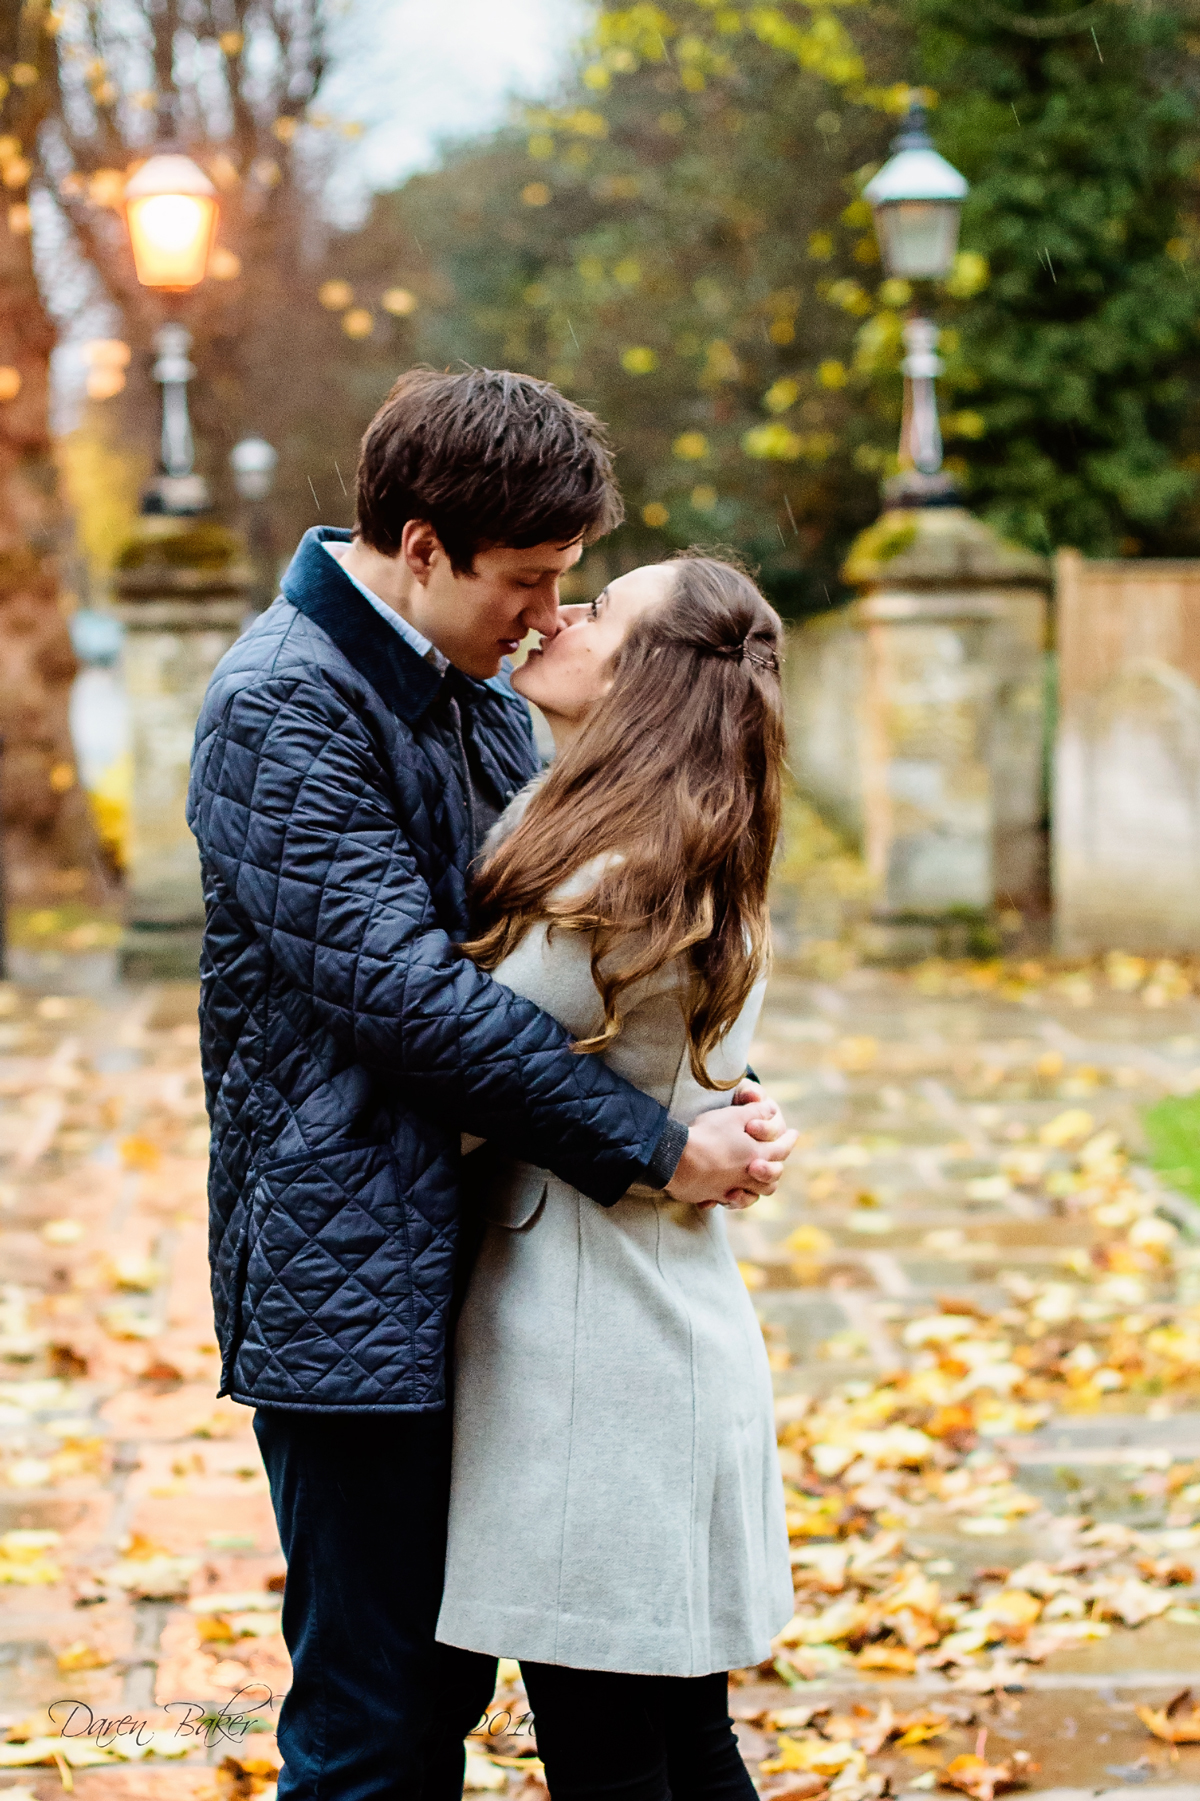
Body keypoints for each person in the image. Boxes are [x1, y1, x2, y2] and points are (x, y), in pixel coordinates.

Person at [186, 368, 798, 1801]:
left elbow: (575, 961)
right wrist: (657, 1145)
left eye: (564, 582)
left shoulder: (469, 690)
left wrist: (728, 1085)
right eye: (524, 580)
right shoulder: (283, 705)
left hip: (480, 1278)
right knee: (378, 1717)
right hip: (356, 1284)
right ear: (418, 546)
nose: (545, 613)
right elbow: (412, 1000)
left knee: (508, 1690)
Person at [437, 553, 795, 1800]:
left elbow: (467, 1076)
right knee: (679, 1743)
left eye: (599, 611)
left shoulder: (612, 872)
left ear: (646, 678)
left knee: (611, 1760)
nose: (560, 618)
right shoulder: (694, 844)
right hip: (661, 1333)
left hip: (599, 1365)